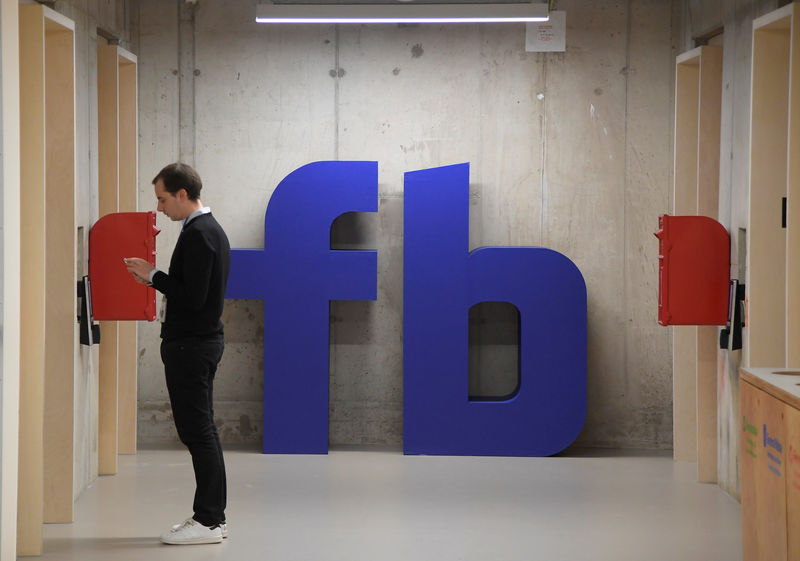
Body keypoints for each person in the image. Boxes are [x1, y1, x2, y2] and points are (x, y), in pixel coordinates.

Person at [125, 162, 231, 545]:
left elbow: (194, 296)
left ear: (183, 195)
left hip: (192, 346)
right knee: (201, 432)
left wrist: (152, 276)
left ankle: (208, 521)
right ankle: (211, 518)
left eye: (163, 199)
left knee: (198, 432)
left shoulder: (201, 234)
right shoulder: (206, 230)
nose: (159, 208)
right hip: (198, 343)